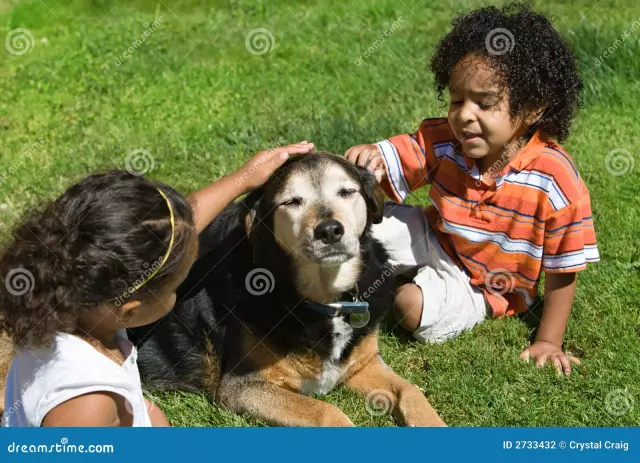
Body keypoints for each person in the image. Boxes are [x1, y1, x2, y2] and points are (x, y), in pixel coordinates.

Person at [344, 2, 598, 375]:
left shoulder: (554, 181)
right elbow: (401, 156)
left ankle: (403, 280)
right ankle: (339, 272)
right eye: (457, 100)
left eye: (485, 103)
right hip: (437, 237)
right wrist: (371, 159)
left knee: (410, 307)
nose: (465, 114)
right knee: (356, 223)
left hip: (487, 288)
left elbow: (564, 268)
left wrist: (548, 341)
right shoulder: (446, 140)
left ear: (532, 108)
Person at [0, 141, 314, 426]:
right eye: (176, 286)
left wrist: (242, 179)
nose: (179, 289)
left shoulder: (69, 308)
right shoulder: (87, 401)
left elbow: (173, 232)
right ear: (130, 311)